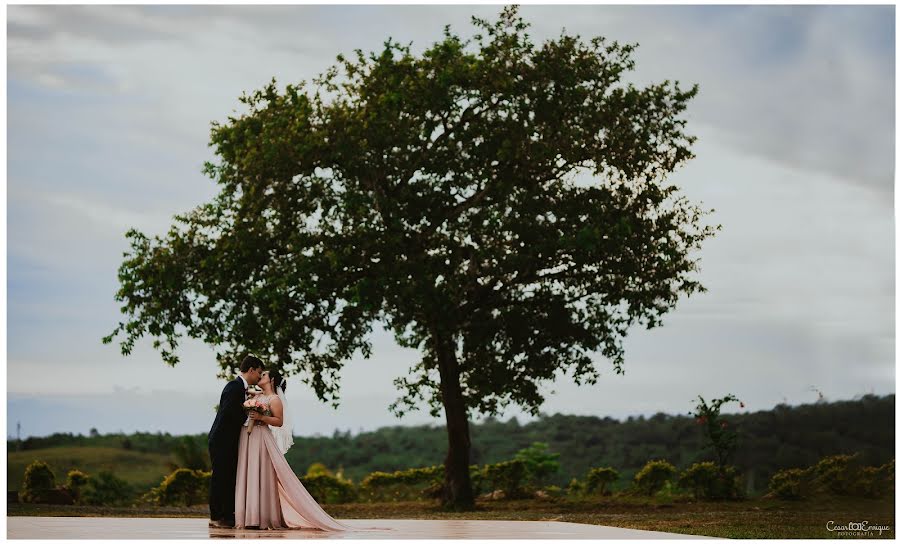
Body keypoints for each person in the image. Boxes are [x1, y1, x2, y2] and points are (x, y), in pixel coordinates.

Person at [234, 369, 354, 531]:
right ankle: (248, 515)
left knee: (260, 472)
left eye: (264, 375)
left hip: (262, 438)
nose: (261, 375)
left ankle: (261, 517)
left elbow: (279, 421)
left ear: (272, 380)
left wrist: (261, 417)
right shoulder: (256, 396)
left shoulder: (274, 399)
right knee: (249, 473)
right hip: (249, 438)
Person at [208, 355, 263, 529]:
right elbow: (230, 412)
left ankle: (227, 514)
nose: (259, 377)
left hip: (228, 440)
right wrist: (251, 420)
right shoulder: (234, 387)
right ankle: (217, 517)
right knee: (220, 477)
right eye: (259, 373)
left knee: (229, 477)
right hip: (222, 440)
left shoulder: (241, 388)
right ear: (251, 369)